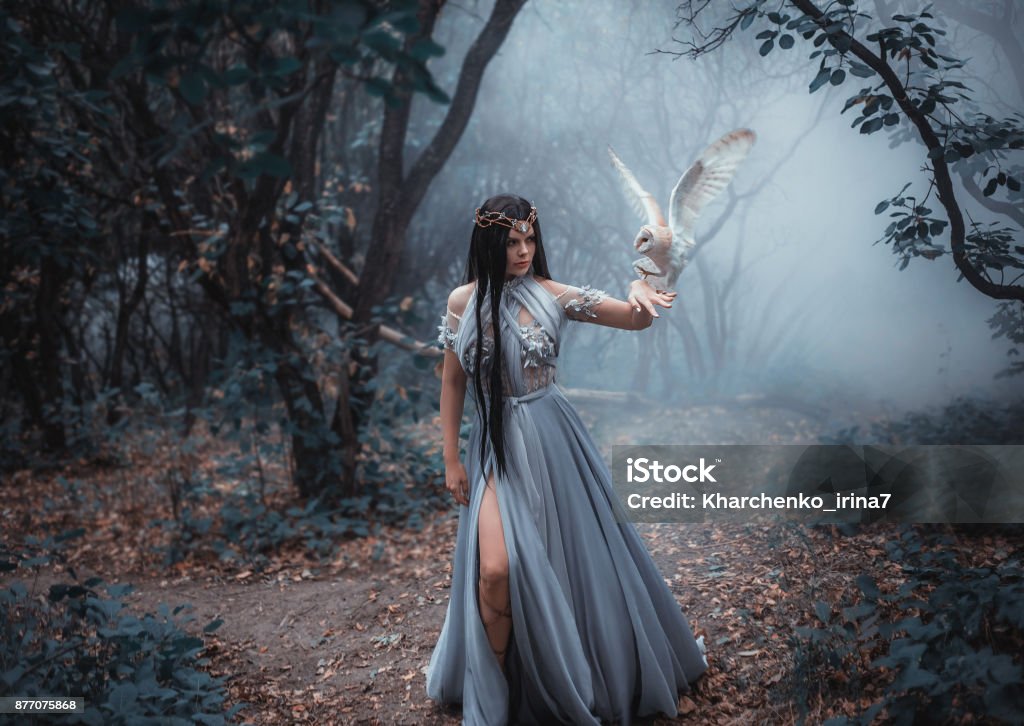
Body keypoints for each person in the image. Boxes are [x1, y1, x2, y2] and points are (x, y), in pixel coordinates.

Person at [425, 194, 708, 725]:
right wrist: (450, 459)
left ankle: (570, 674)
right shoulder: (462, 301)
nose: (524, 251)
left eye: (530, 239)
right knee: (495, 569)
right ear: (489, 243)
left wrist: (649, 277)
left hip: (554, 439)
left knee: (569, 561)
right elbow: (452, 380)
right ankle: (496, 691)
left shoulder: (554, 295)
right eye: (511, 242)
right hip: (493, 446)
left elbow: (636, 321)